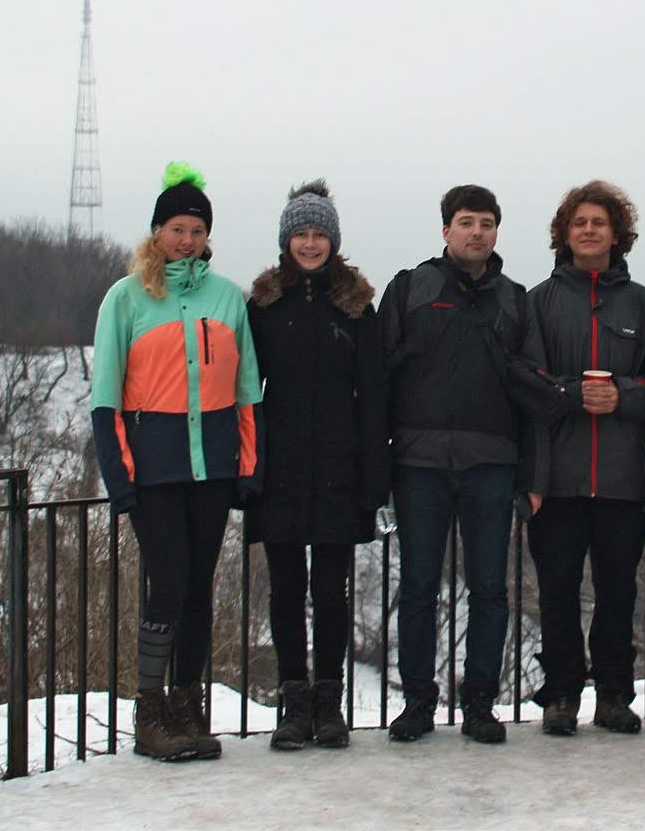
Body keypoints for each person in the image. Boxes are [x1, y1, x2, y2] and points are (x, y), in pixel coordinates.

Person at [90, 162, 263, 761]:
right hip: (156, 469)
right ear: (157, 232)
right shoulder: (127, 297)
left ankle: (188, 703)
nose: (187, 240)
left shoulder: (226, 298)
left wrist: (248, 466)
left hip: (212, 469)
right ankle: (149, 709)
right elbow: (105, 398)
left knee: (199, 587)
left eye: (196, 229)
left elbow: (247, 392)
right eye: (177, 229)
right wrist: (120, 479)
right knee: (168, 581)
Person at [379, 184, 546, 744]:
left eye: (487, 223)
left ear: (498, 232)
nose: (477, 232)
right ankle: (418, 702)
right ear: (445, 229)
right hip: (419, 463)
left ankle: (480, 703)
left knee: (490, 589)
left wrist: (533, 474)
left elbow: (534, 394)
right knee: (419, 588)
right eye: (467, 222)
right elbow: (380, 380)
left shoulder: (516, 300)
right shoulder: (408, 289)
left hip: (492, 462)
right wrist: (380, 464)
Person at [245, 180, 389, 750]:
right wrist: (247, 468)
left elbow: (374, 396)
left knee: (332, 592)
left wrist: (374, 475)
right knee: (284, 591)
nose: (310, 244)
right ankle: (291, 701)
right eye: (301, 234)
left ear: (334, 241)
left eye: (319, 234)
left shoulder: (356, 306)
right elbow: (244, 393)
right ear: (286, 241)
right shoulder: (262, 305)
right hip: (277, 468)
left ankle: (329, 704)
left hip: (339, 467)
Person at [523, 180, 645, 736]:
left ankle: (613, 695)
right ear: (565, 232)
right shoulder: (538, 301)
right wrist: (571, 394)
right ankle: (560, 694)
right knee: (556, 592)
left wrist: (624, 397)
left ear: (616, 233)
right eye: (579, 222)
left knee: (617, 593)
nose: (588, 230)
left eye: (598, 222)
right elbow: (526, 380)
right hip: (556, 477)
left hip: (625, 477)